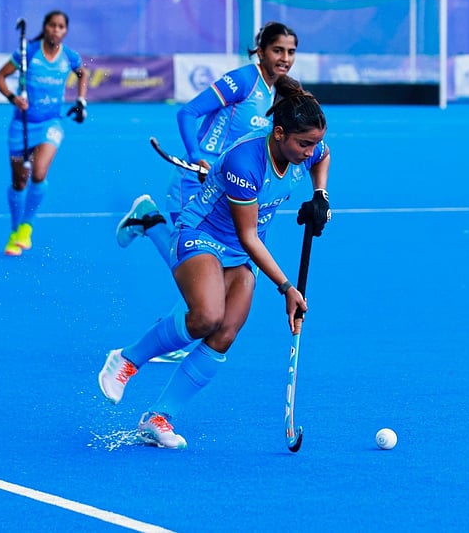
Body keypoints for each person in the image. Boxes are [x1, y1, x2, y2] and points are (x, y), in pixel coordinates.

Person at [98, 81, 332, 449]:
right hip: (202, 234)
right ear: (280, 132)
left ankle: (158, 417)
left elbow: (324, 157)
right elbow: (248, 236)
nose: (310, 150)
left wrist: (320, 195)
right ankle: (126, 360)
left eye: (314, 142)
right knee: (206, 316)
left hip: (240, 253)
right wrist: (286, 287)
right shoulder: (247, 161)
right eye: (304, 144)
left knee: (225, 333)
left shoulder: (306, 147)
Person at [115, 21, 300, 362]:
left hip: (233, 190)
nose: (285, 58)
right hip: (198, 183)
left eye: (290, 51)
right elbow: (189, 112)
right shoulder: (245, 81)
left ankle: (150, 222)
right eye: (277, 50)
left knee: (215, 264)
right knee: (192, 254)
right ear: (260, 51)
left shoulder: (281, 94)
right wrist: (198, 156)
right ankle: (151, 222)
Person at [0, 10, 88, 256]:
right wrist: (13, 98)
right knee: (19, 180)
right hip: (22, 123)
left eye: (61, 27)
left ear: (65, 31)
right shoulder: (28, 53)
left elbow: (82, 73)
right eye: (52, 25)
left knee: (39, 172)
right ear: (45, 27)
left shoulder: (69, 56)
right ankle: (15, 230)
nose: (56, 30)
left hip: (51, 123)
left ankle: (27, 225)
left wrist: (81, 100)